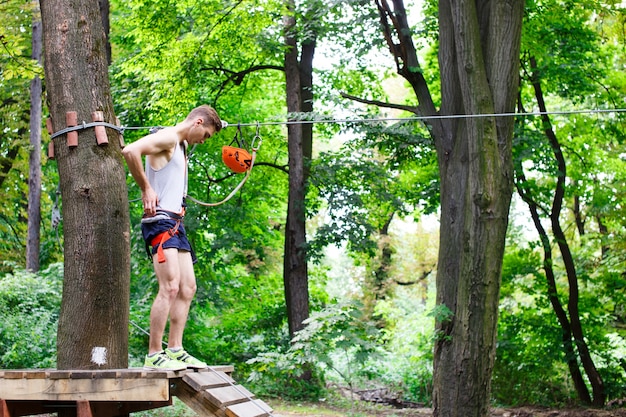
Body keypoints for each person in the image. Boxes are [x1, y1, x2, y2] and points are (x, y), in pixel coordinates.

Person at [122, 105, 224, 370]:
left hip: (176, 224)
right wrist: (146, 188)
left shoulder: (181, 145)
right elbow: (130, 150)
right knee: (170, 287)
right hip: (160, 222)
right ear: (198, 122)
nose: (204, 140)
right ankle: (154, 354)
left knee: (188, 287)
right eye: (207, 135)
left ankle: (175, 349)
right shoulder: (168, 138)